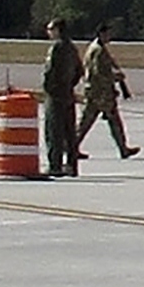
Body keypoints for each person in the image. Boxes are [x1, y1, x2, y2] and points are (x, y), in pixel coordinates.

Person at [81, 25, 139, 160]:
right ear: (101, 34)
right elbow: (98, 73)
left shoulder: (97, 48)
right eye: (107, 34)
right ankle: (123, 148)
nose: (109, 36)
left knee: (110, 121)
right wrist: (115, 77)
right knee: (89, 122)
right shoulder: (98, 50)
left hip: (100, 92)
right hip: (100, 93)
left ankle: (123, 148)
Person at [39, 18, 83, 177]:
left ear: (58, 30)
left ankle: (55, 165)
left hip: (55, 95)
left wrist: (48, 89)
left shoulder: (56, 48)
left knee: (53, 131)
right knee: (69, 132)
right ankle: (71, 165)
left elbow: (49, 72)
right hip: (68, 94)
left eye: (50, 29)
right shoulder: (72, 48)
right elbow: (79, 70)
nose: (48, 32)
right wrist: (70, 85)